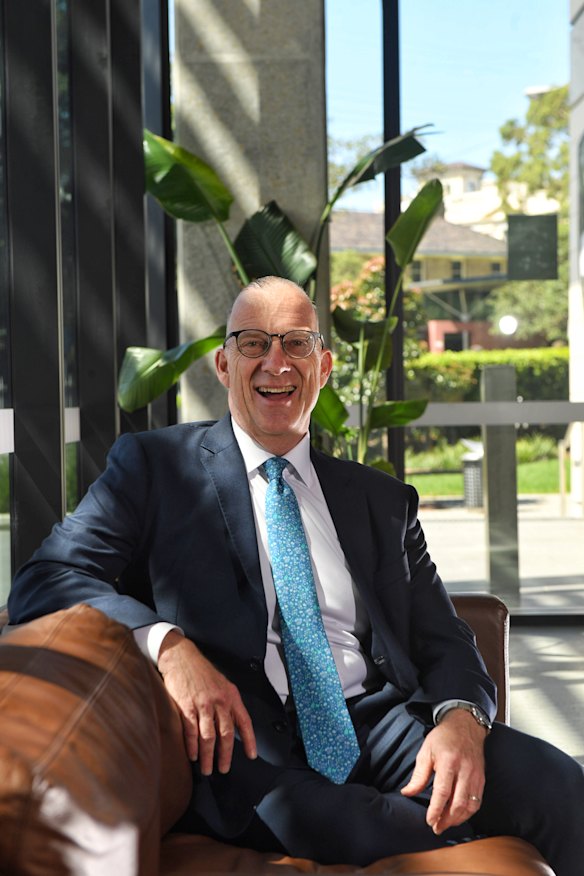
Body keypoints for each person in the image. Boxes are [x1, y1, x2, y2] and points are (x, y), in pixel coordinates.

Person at [7, 276, 583, 874]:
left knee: (559, 784)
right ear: (224, 365)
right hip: (250, 750)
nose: (275, 363)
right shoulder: (154, 468)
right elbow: (45, 578)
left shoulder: (379, 500)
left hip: (382, 724)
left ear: (324, 367)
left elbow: (444, 634)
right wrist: (168, 647)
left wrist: (461, 719)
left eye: (297, 343)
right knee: (353, 824)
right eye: (253, 343)